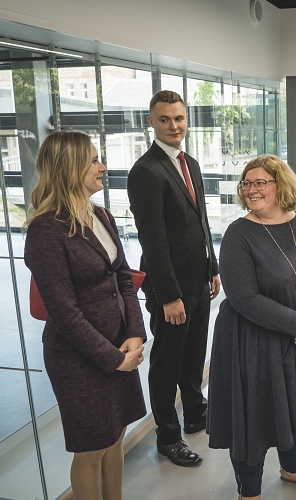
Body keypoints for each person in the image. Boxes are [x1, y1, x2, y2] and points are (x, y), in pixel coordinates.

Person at [207, 155, 296, 500]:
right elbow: (244, 297)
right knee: (253, 420)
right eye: (246, 184)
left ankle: (292, 467)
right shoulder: (239, 233)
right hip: (252, 342)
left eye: (260, 182)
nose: (251, 190)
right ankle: (250, 491)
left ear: (281, 185)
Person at [24, 131, 146, 499]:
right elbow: (64, 314)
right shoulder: (46, 230)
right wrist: (115, 360)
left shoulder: (100, 214)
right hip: (78, 358)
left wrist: (135, 333)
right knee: (92, 449)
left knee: (116, 436)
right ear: (69, 167)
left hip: (120, 346)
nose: (102, 167)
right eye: (94, 160)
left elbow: (123, 277)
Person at [127, 90, 221, 467]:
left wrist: (213, 267)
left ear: (187, 120)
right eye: (164, 119)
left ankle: (196, 413)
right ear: (151, 122)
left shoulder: (189, 163)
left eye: (179, 118)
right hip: (171, 289)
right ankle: (168, 437)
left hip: (198, 279)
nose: (173, 126)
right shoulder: (145, 171)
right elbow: (153, 240)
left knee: (194, 354)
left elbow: (201, 221)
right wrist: (168, 296)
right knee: (167, 363)